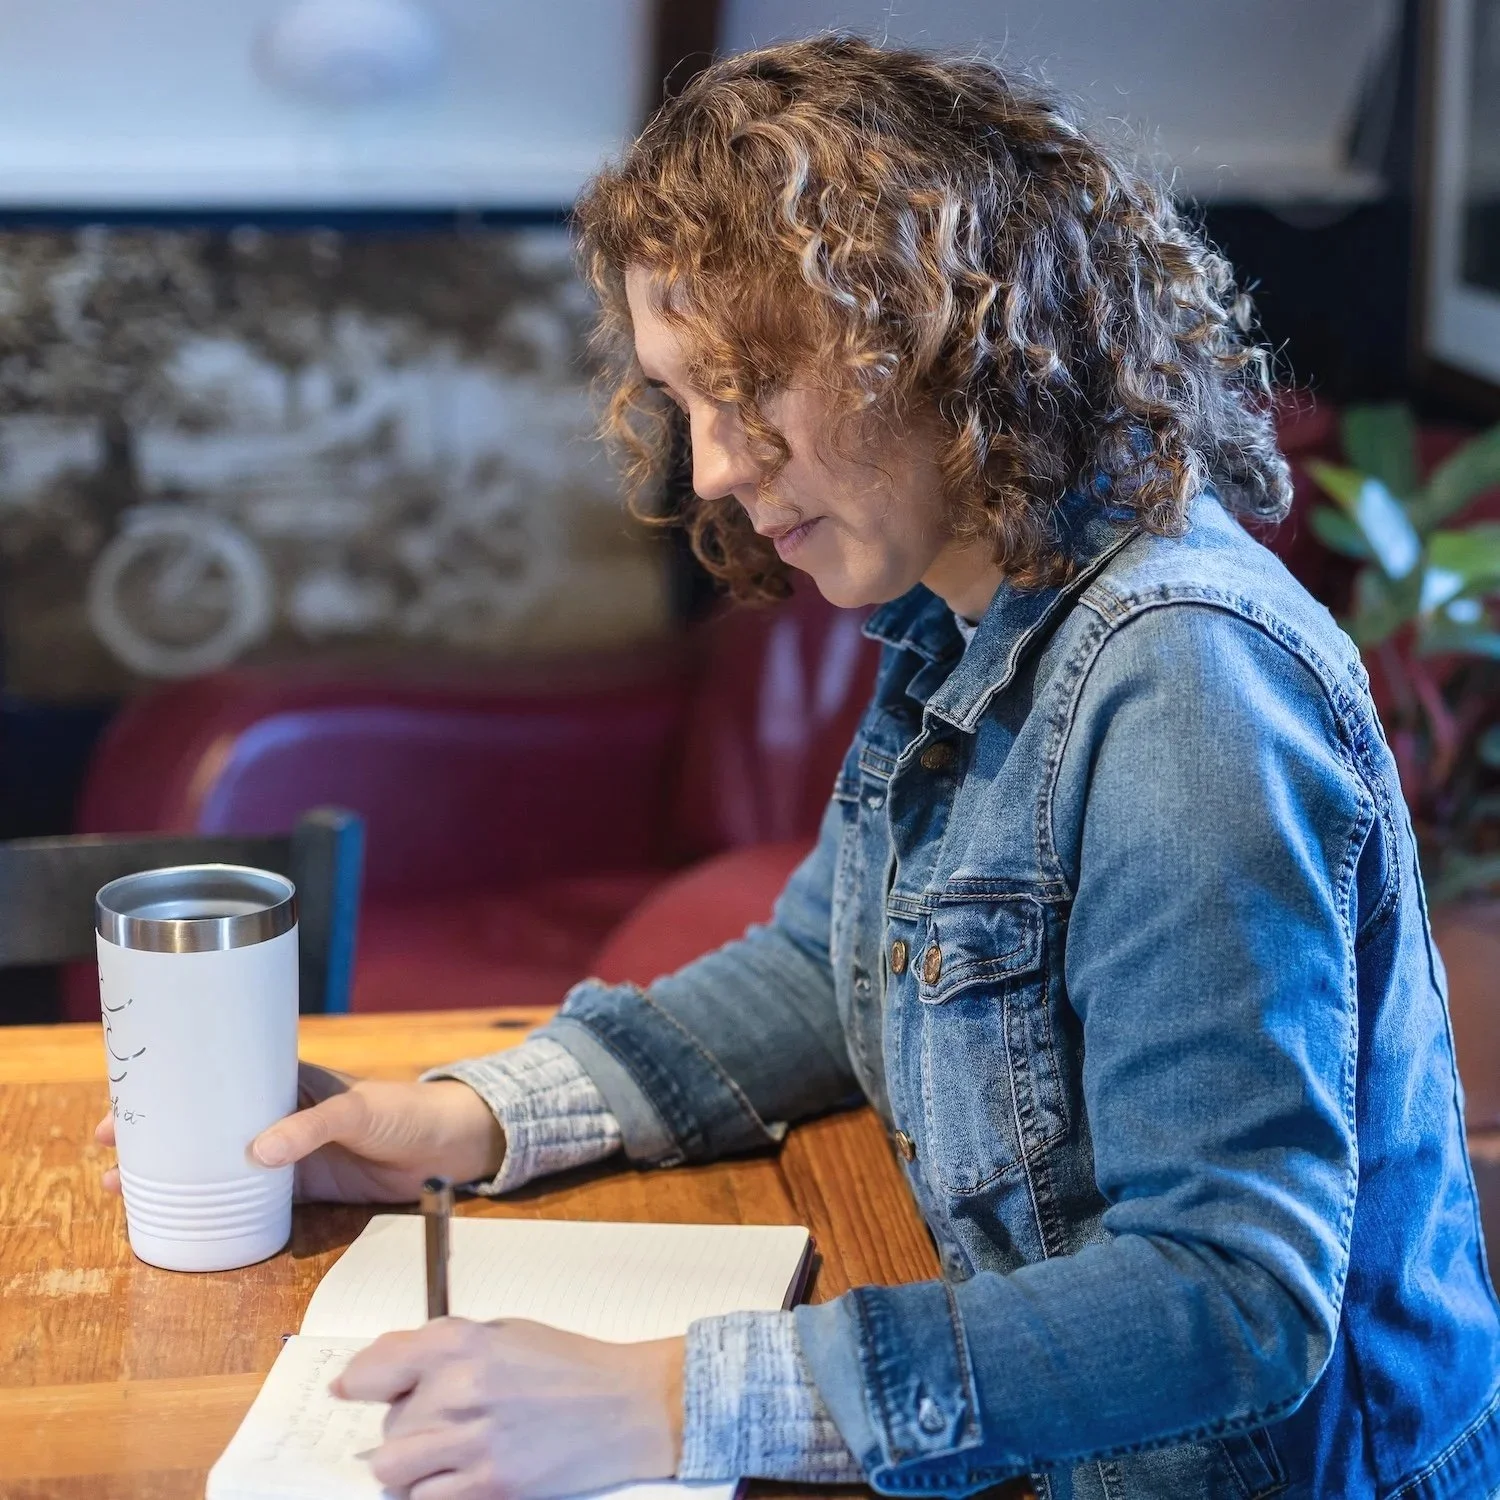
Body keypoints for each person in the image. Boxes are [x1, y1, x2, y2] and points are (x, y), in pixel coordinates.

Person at [97, 34, 1500, 1500]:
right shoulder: (959, 608)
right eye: (683, 398)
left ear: (937, 336)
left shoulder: (1184, 685)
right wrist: (475, 1117)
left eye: (750, 387)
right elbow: (831, 962)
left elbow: (1230, 1302)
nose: (708, 466)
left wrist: (675, 1401)